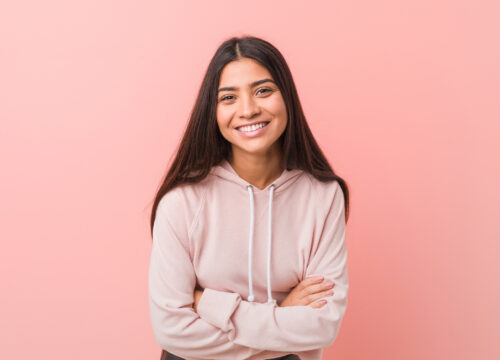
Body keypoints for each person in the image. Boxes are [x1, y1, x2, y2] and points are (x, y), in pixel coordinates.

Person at [148, 35, 350, 360]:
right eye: (228, 97)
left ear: (287, 97)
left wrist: (210, 305)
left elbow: (323, 327)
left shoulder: (324, 197)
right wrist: (284, 315)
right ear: (212, 111)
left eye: (263, 90)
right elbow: (171, 330)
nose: (248, 110)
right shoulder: (182, 201)